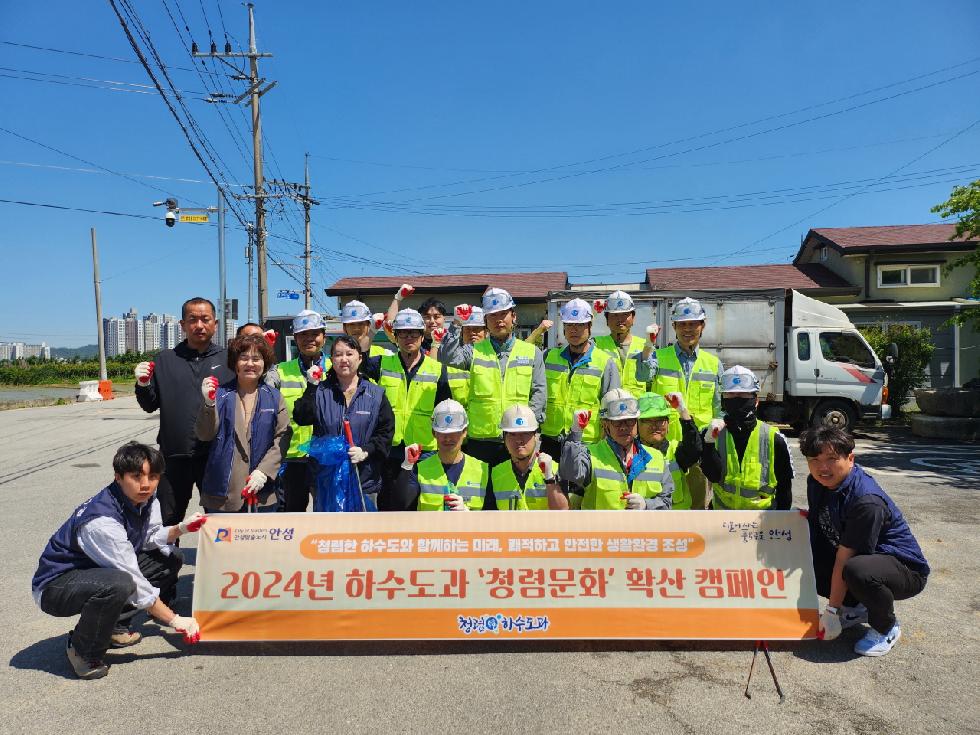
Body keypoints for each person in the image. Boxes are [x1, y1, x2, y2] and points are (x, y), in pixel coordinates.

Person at [31, 442, 205, 679]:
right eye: (136, 476)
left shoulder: (145, 499)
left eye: (153, 476)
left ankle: (112, 627)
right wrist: (176, 621)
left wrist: (181, 528)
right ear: (118, 477)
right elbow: (134, 579)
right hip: (55, 585)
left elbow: (150, 538)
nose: (146, 484)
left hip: (96, 572)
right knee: (121, 583)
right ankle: (82, 650)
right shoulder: (102, 521)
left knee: (169, 558)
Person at [802, 426, 929, 657]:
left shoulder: (866, 501)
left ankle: (886, 627)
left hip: (905, 570)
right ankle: (856, 608)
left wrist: (831, 611)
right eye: (814, 459)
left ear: (850, 458)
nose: (823, 467)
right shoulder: (817, 482)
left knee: (857, 571)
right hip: (864, 558)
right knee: (808, 552)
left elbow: (845, 557)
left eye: (832, 459)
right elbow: (818, 522)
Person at [134, 297, 235, 526]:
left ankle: (219, 561)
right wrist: (142, 384)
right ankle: (164, 560)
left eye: (205, 319)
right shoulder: (165, 360)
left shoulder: (229, 360)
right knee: (168, 518)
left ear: (215, 324)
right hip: (174, 456)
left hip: (215, 455)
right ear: (182, 325)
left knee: (220, 517)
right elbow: (149, 404)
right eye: (192, 320)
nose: (199, 325)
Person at [438, 287, 547, 467]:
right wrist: (456, 323)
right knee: (482, 494)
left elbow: (539, 392)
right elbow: (448, 358)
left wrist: (527, 429)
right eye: (492, 316)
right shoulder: (474, 350)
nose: (498, 320)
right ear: (486, 321)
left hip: (517, 438)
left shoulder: (531, 352)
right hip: (481, 440)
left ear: (514, 317)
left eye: (503, 314)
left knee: (513, 492)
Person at [637, 297, 723, 509]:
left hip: (698, 453)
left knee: (696, 508)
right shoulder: (659, 356)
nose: (688, 329)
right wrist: (648, 345)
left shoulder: (713, 364)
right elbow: (641, 374)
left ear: (702, 325)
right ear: (674, 327)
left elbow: (720, 410)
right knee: (662, 505)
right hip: (662, 450)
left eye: (693, 324)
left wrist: (712, 447)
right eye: (682, 324)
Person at [293, 335, 395, 509]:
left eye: (349, 354)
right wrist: (311, 387)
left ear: (360, 358)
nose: (344, 359)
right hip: (327, 480)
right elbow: (301, 417)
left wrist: (366, 450)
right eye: (338, 354)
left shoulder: (375, 394)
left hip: (364, 479)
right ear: (331, 359)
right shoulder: (321, 390)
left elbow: (386, 432)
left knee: (363, 533)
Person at [360, 308, 452, 495]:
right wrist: (371, 331)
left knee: (424, 500)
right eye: (403, 333)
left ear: (421, 336)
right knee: (392, 502)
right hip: (391, 449)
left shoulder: (437, 369)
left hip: (425, 449)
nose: (408, 338)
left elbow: (444, 408)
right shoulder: (383, 364)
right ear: (395, 337)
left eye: (413, 333)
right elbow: (360, 360)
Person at [195, 334, 290, 512]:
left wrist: (264, 471)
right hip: (223, 492)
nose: (250, 364)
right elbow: (205, 434)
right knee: (223, 540)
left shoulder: (274, 397)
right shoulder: (220, 394)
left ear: (265, 363)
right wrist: (208, 403)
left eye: (256, 358)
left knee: (261, 540)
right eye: (244, 358)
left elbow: (282, 437)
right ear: (235, 362)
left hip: (262, 492)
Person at [698, 365, 793, 511]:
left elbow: (784, 489)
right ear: (723, 402)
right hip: (723, 522)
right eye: (731, 396)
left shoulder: (774, 439)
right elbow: (713, 475)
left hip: (761, 523)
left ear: (756, 401)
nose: (737, 401)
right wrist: (709, 442)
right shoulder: (712, 434)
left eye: (743, 396)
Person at [560, 389, 673, 510]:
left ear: (636, 422)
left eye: (629, 421)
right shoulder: (591, 455)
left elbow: (666, 502)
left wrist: (646, 505)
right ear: (605, 424)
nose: (624, 427)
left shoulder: (657, 458)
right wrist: (576, 432)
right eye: (617, 422)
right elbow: (570, 473)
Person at [262, 310, 329, 511]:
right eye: (303, 335)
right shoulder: (280, 370)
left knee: (326, 514)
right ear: (295, 338)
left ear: (324, 337)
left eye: (314, 334)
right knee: (291, 517)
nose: (309, 339)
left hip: (325, 457)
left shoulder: (336, 370)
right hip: (291, 459)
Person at [541, 298, 619, 457]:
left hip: (587, 444)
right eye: (569, 325)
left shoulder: (605, 363)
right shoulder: (548, 357)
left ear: (590, 327)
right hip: (550, 442)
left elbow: (611, 410)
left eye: (580, 325)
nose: (574, 330)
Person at [394, 399, 491, 511]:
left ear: (464, 432)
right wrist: (407, 466)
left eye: (453, 433)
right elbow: (400, 504)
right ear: (434, 433)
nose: (448, 438)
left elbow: (493, 516)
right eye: (443, 433)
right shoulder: (421, 468)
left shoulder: (482, 470)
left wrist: (468, 513)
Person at [636, 392, 703, 510]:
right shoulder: (628, 453)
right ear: (637, 424)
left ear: (667, 424)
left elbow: (695, 449)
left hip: (676, 521)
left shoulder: (675, 450)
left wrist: (683, 412)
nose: (654, 426)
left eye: (660, 420)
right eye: (648, 420)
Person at [492, 404, 565, 510]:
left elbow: (563, 513)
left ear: (535, 436)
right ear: (504, 438)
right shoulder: (495, 473)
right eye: (512, 434)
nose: (519, 440)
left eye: (525, 433)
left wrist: (550, 479)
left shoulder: (555, 469)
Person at [593, 290, 654, 398]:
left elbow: (652, 382)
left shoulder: (645, 345)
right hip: (607, 410)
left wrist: (649, 346)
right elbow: (578, 342)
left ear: (633, 318)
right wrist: (592, 314)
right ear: (607, 320)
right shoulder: (596, 344)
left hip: (638, 411)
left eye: (625, 314)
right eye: (615, 315)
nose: (620, 319)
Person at [445, 305, 486, 406]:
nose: (472, 333)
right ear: (462, 333)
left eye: (476, 329)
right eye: (468, 329)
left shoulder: (493, 355)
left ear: (486, 332)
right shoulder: (454, 356)